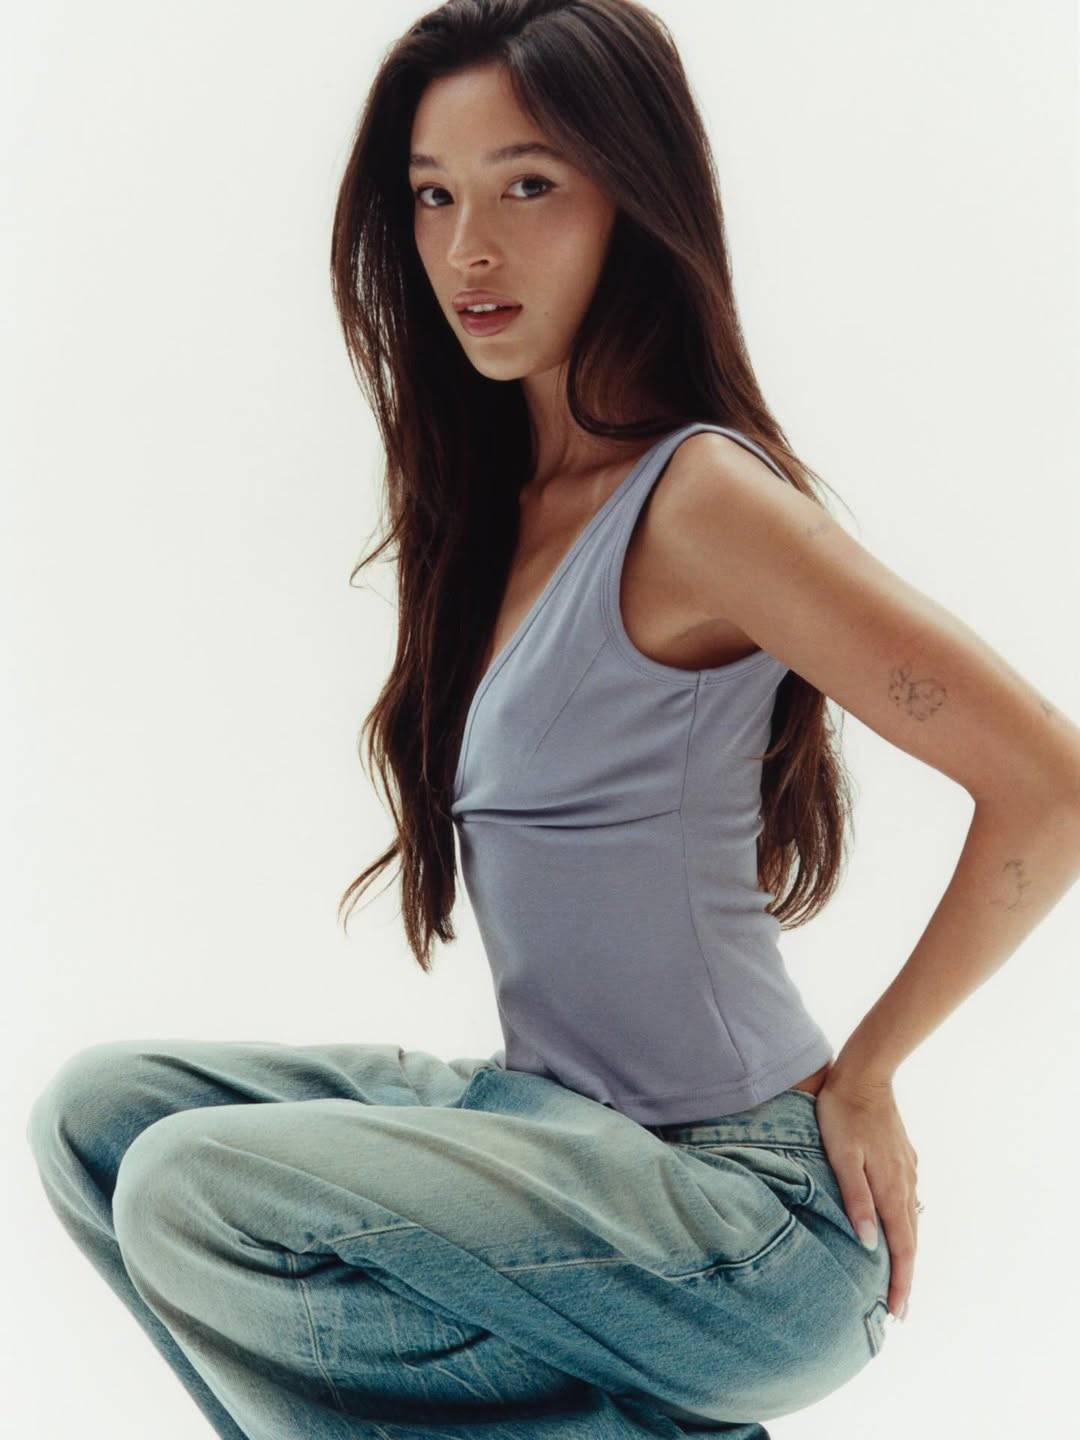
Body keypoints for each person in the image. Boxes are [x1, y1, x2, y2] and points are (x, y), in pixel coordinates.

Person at [25, 2, 1080, 1437]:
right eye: (434, 196)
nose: (470, 248)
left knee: (187, 1188)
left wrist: (872, 1074)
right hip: (557, 1142)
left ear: (631, 204)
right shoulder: (496, 510)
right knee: (100, 1124)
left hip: (743, 1218)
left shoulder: (701, 501)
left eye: (528, 186)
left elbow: (1048, 783)